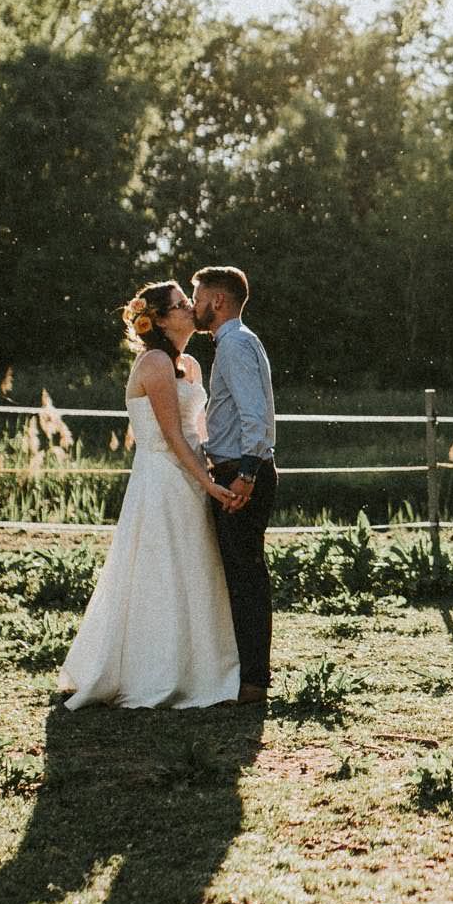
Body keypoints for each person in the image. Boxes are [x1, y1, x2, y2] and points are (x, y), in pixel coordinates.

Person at [56, 282, 243, 709]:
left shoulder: (190, 364)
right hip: (163, 477)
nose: (189, 309)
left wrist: (224, 467)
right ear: (158, 319)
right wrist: (209, 483)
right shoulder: (155, 362)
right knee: (161, 571)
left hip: (191, 472)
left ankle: (201, 666)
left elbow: (201, 429)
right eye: (180, 305)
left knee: (195, 567)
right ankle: (156, 671)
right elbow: (171, 435)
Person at [192, 264, 277, 703]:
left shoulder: (235, 345)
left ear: (217, 301)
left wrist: (245, 474)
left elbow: (254, 416)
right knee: (240, 575)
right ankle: (244, 676)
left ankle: (254, 682)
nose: (194, 305)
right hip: (235, 470)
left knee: (246, 578)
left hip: (242, 474)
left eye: (198, 295)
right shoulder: (235, 343)